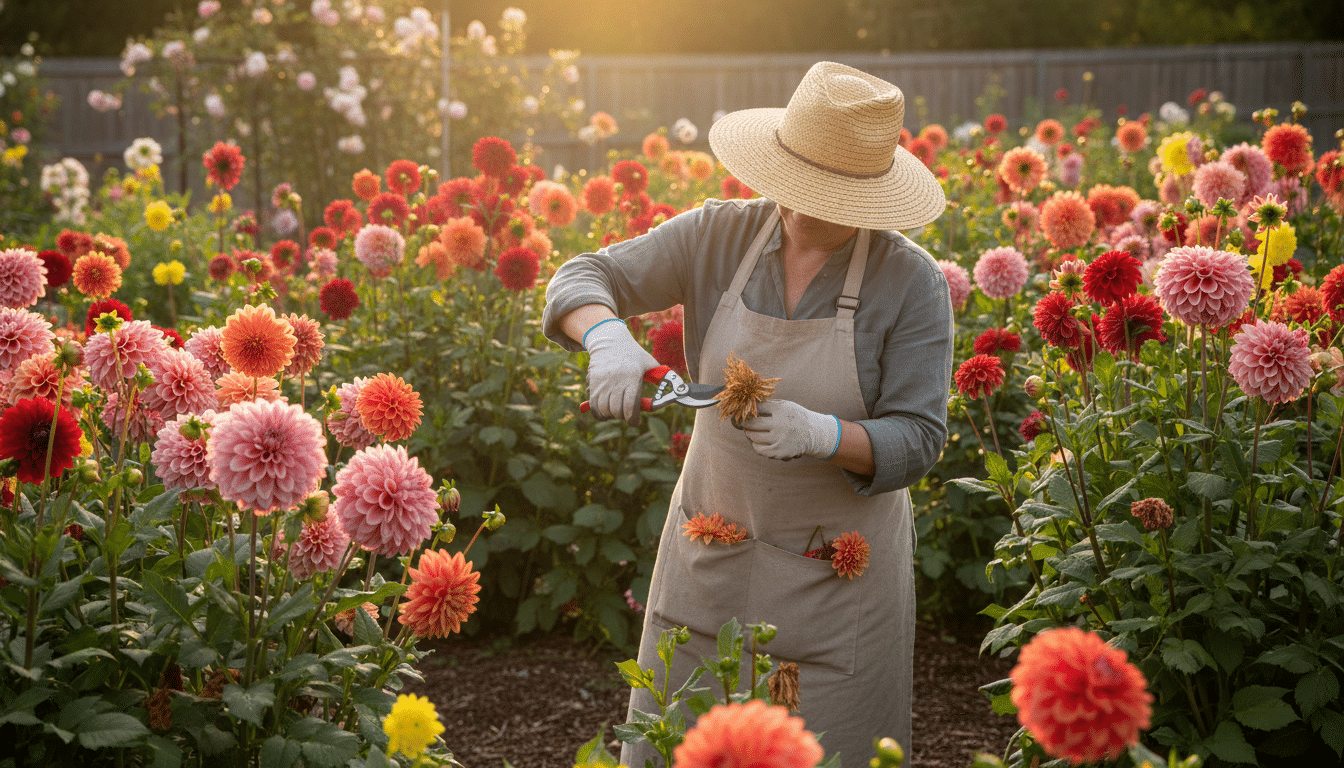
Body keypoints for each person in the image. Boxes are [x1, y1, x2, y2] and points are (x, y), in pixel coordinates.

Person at [541, 61, 953, 767]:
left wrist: (824, 435)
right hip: (712, 562)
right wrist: (605, 336)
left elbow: (918, 439)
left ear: (868, 198)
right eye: (789, 185)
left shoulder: (909, 283)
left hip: (836, 593)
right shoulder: (719, 237)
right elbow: (586, 274)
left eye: (821, 196)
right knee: (678, 744)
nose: (794, 208)